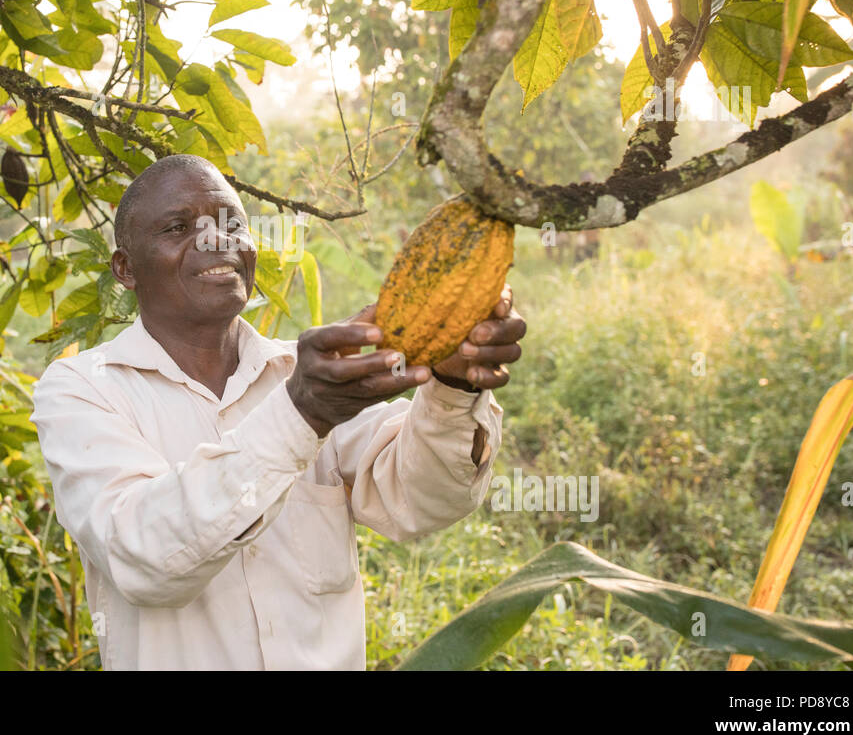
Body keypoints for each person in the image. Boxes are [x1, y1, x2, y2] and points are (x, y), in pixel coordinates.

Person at [31, 155, 527, 669]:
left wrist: (452, 383)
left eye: (231, 224)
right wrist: (300, 416)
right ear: (125, 268)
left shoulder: (307, 372)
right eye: (179, 227)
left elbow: (423, 501)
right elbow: (143, 558)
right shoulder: (83, 389)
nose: (213, 240)